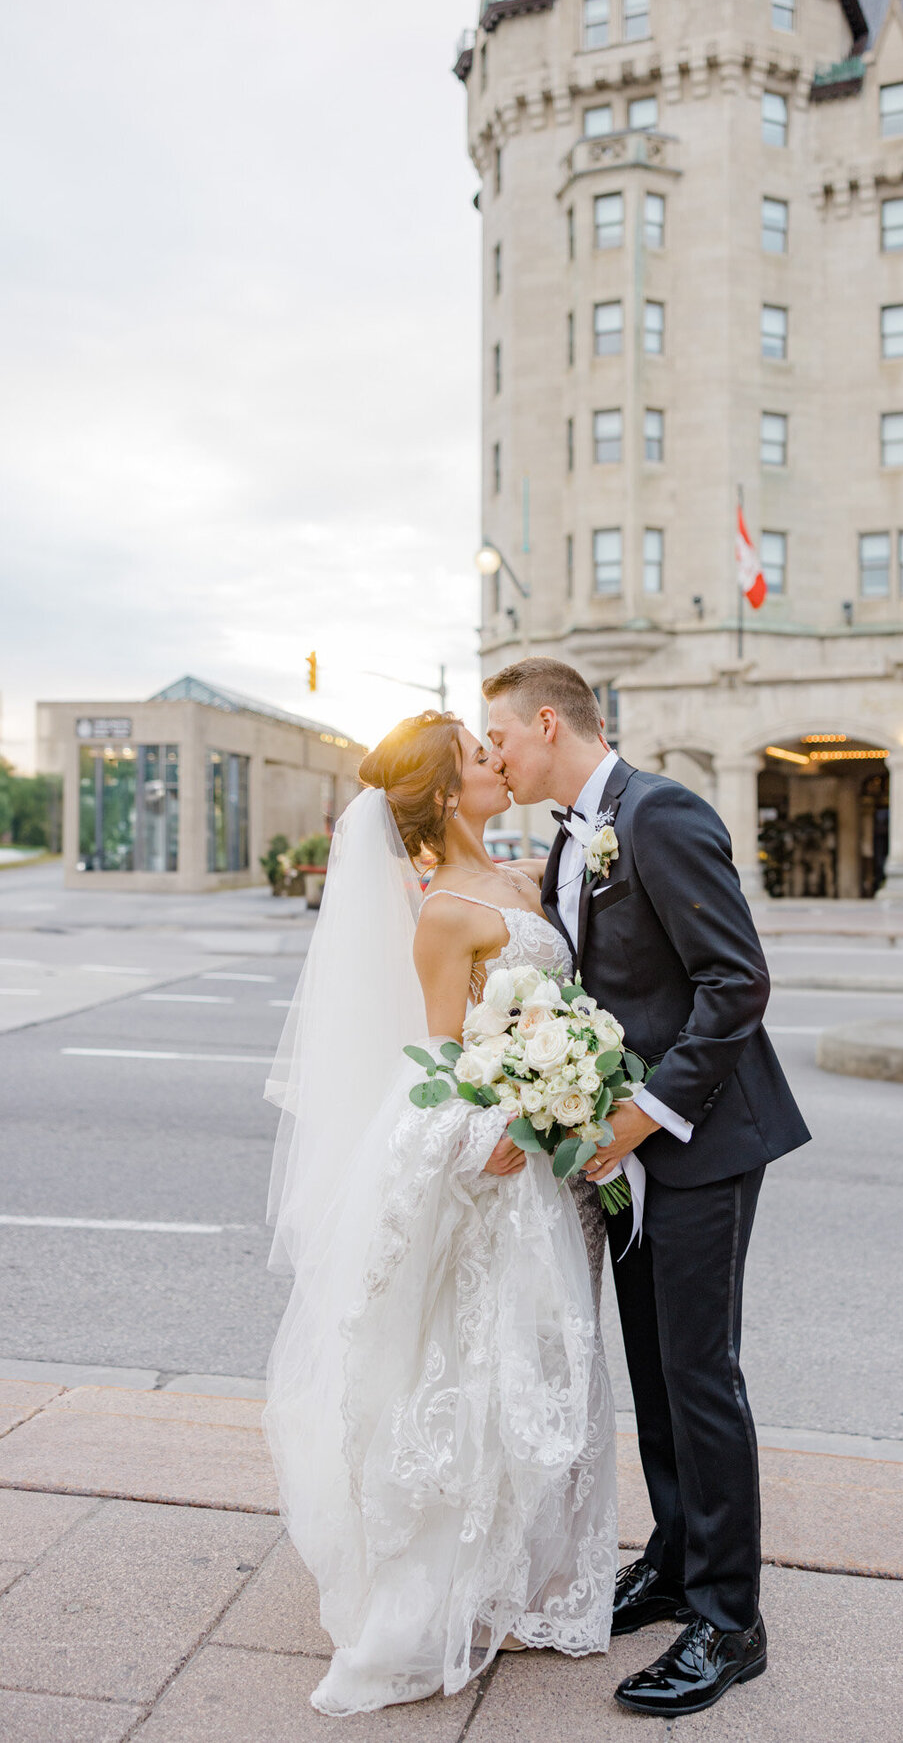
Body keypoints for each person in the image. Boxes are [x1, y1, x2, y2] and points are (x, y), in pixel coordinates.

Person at [261, 709, 616, 1717]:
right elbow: (440, 1056)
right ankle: (439, 1591)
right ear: (442, 792)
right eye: (475, 755)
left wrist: (573, 1072)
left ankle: (533, 1575)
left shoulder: (521, 873)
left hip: (553, 1157)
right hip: (502, 1156)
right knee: (480, 1371)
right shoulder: (445, 910)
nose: (494, 760)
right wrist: (523, 1110)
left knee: (546, 1362)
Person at [484, 657, 812, 1720]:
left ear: (547, 722)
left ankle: (730, 1615)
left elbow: (737, 981)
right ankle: (675, 1558)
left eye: (502, 737)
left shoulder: (658, 813)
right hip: (628, 1153)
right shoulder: (576, 836)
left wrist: (643, 1113)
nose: (496, 756)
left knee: (701, 1372)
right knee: (659, 1374)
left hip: (702, 1139)